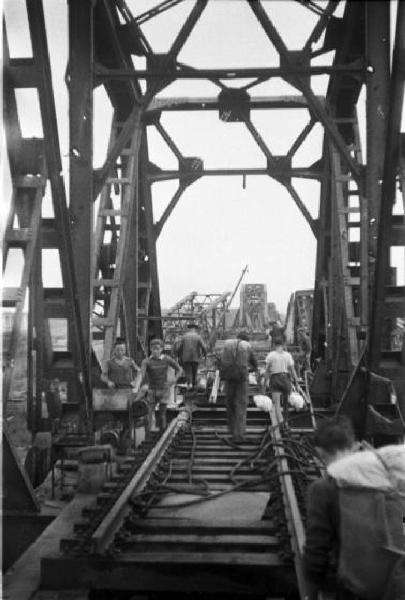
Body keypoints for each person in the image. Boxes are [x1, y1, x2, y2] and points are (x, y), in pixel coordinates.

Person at [303, 416, 405, 600]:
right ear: (354, 445)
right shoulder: (390, 477)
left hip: (353, 587)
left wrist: (310, 593)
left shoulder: (323, 488)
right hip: (397, 584)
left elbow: (316, 552)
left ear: (320, 453)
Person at [220, 330, 259, 443]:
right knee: (241, 405)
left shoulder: (227, 343)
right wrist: (253, 369)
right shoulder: (247, 345)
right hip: (241, 379)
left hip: (228, 377)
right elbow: (254, 362)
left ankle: (231, 431)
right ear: (246, 339)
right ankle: (239, 435)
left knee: (230, 403)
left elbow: (222, 359)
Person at [139, 338, 182, 435]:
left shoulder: (166, 359)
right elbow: (141, 374)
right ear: (150, 349)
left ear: (161, 349)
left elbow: (179, 369)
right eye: (153, 349)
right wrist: (137, 385)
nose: (155, 351)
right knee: (148, 413)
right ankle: (148, 435)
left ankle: (163, 433)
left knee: (162, 414)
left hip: (164, 390)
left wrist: (174, 380)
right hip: (152, 391)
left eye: (157, 349)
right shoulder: (146, 361)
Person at [264, 338, 298, 420]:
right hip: (285, 379)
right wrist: (297, 382)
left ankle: (282, 424)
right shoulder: (288, 355)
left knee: (277, 405)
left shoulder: (271, 355)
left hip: (275, 379)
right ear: (283, 345)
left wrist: (265, 384)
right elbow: (293, 370)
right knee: (286, 404)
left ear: (274, 345)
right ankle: (285, 422)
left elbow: (267, 371)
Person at [177, 323, 207, 389]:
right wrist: (205, 355)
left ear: (189, 329)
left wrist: (178, 355)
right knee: (194, 372)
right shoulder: (198, 336)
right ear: (195, 329)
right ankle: (194, 386)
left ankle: (189, 385)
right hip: (195, 358)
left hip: (186, 358)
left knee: (188, 372)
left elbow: (179, 347)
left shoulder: (184, 336)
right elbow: (204, 347)